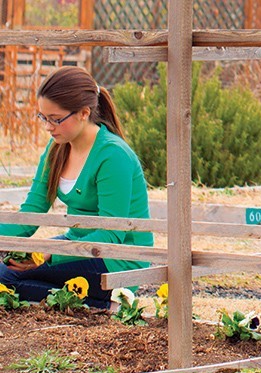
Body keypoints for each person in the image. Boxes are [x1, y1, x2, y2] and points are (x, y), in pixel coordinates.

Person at [0, 66, 153, 309]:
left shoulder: (113, 156)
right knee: (5, 271)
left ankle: (108, 301)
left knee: (8, 279)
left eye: (55, 119)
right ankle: (93, 302)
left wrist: (50, 253)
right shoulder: (56, 149)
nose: (48, 127)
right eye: (43, 117)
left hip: (116, 258)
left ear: (83, 113)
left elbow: (111, 235)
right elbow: (31, 212)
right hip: (76, 245)